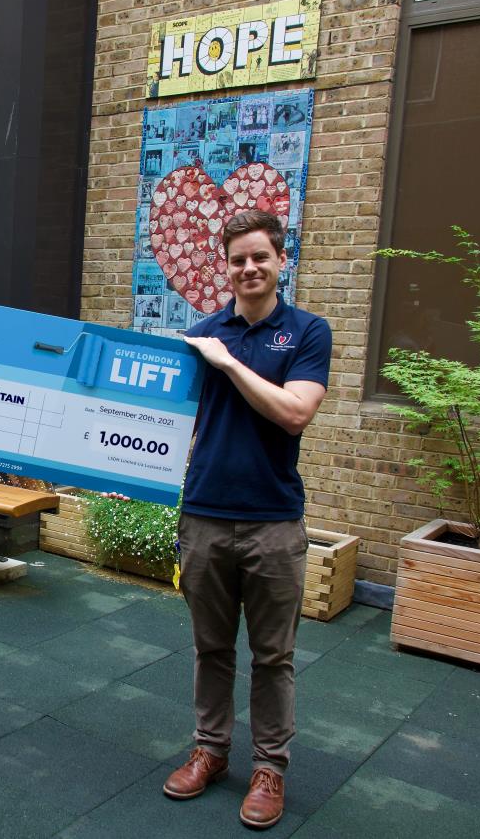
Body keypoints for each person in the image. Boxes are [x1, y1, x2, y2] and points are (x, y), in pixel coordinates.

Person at [162, 210, 331, 829]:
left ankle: (269, 769)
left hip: (273, 522)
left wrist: (228, 363)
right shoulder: (203, 334)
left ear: (280, 260)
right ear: (225, 266)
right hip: (204, 517)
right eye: (237, 260)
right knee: (211, 648)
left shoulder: (308, 333)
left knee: (272, 656)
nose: (249, 268)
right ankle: (209, 751)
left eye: (260, 257)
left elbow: (294, 413)